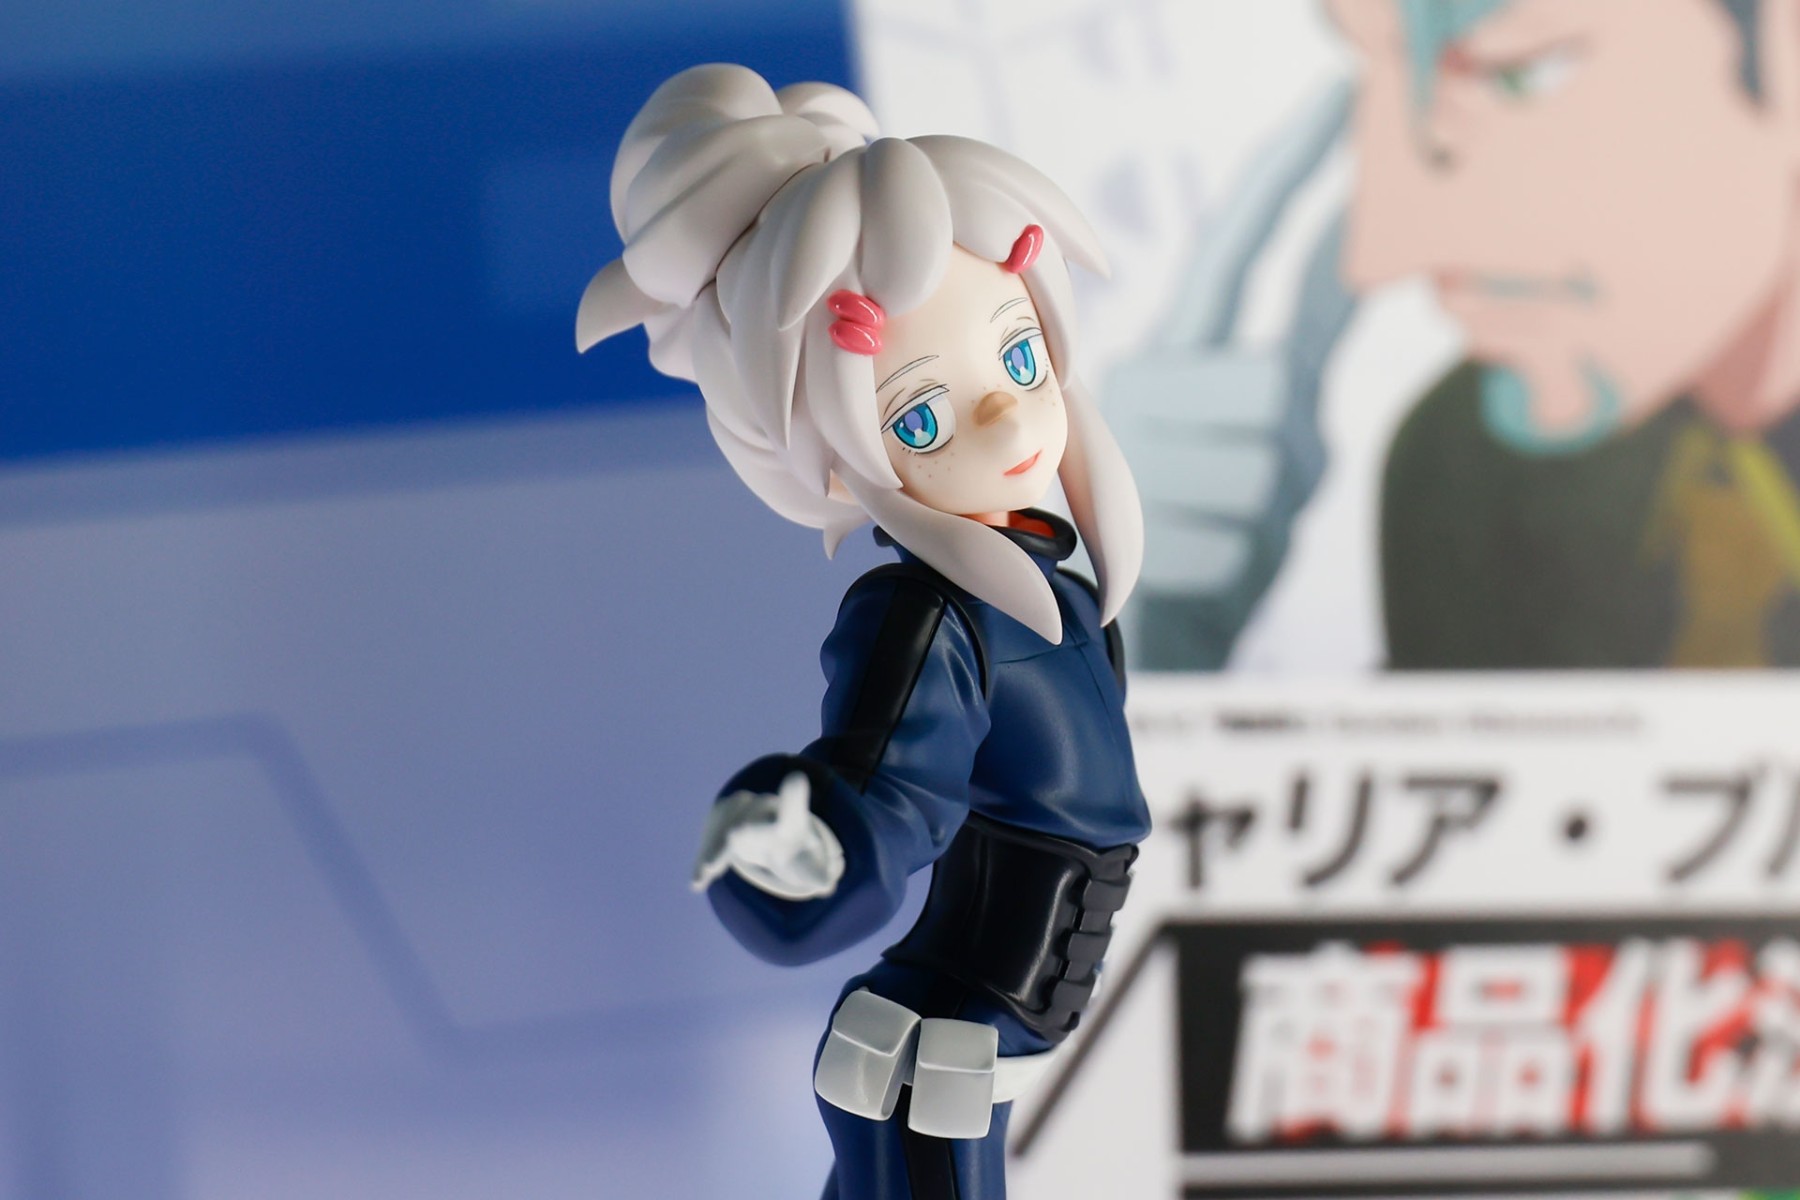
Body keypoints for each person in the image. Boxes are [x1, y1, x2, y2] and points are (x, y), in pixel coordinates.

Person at [575, 63, 1147, 1199]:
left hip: (997, 991)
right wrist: (816, 843)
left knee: (904, 1118)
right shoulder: (933, 614)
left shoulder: (1054, 586)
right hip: (968, 1005)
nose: (1008, 417)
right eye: (920, 414)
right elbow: (891, 779)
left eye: (1020, 355)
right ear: (836, 453)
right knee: (922, 1123)